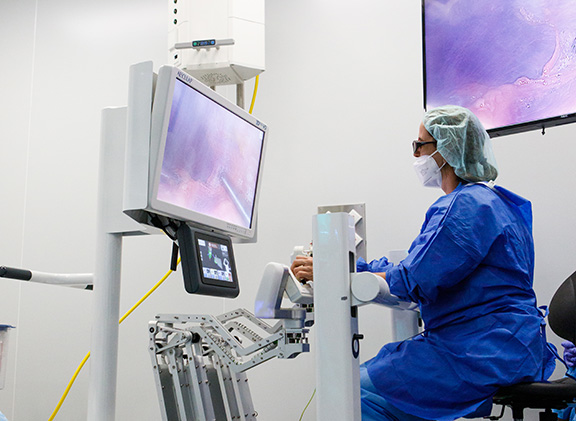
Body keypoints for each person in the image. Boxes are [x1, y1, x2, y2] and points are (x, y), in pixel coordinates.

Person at [291, 105, 555, 420]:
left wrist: (333, 272)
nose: (416, 154)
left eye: (420, 145)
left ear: (446, 150)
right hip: (508, 346)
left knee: (349, 391)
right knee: (372, 382)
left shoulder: (465, 207)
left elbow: (412, 279)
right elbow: (419, 266)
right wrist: (354, 269)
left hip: (480, 352)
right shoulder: (494, 203)